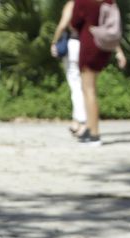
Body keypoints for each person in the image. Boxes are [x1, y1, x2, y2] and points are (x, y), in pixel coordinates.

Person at [71, 0, 127, 145]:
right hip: (102, 47)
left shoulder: (83, 1)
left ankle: (94, 133)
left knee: (88, 90)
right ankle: (89, 128)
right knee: (89, 89)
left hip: (89, 43)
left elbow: (74, 22)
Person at [50, 1, 87, 137]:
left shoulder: (72, 4)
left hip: (74, 46)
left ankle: (83, 122)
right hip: (88, 46)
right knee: (85, 87)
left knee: (76, 86)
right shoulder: (93, 4)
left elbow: (62, 25)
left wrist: (54, 42)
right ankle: (76, 122)